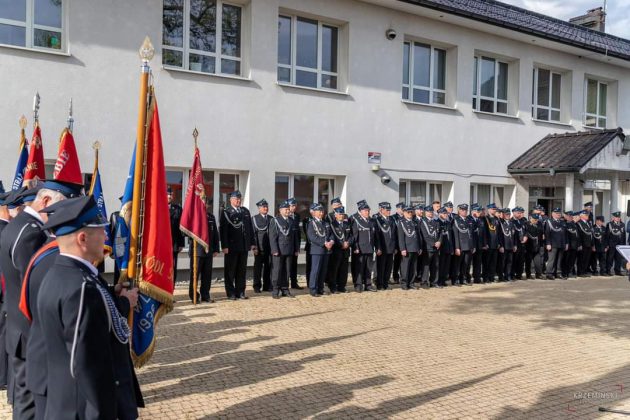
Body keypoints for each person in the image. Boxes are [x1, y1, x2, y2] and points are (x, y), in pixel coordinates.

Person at [37, 195, 143, 419]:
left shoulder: (62, 273)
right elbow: (87, 366)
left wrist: (112, 294)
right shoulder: (82, 289)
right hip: (84, 409)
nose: (106, 236)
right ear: (83, 238)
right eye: (101, 231)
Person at [0, 181, 80, 419]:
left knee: (25, 397)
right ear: (45, 202)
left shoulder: (21, 224)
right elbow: (35, 287)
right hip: (29, 331)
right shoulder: (30, 233)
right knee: (30, 404)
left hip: (20, 327)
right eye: (58, 210)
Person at [220, 190, 256, 300]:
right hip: (232, 246)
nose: (238, 201)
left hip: (244, 246)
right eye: (236, 199)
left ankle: (240, 292)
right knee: (230, 271)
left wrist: (252, 243)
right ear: (231, 200)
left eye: (240, 199)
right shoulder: (226, 212)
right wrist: (224, 246)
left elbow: (250, 228)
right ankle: (230, 293)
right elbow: (223, 230)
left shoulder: (245, 211)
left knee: (241, 270)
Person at [188, 200, 220, 302]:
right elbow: (187, 232)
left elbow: (215, 234)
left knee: (207, 275)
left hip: (208, 251)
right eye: (204, 203)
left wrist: (216, 248)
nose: (206, 205)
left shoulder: (211, 217)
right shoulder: (194, 216)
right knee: (195, 275)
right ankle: (194, 296)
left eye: (207, 204)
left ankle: (205, 295)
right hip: (197, 251)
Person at [269, 201, 299, 299]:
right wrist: (274, 249)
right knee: (277, 271)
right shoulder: (275, 220)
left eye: (288, 209)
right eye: (286, 209)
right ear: (280, 210)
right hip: (279, 250)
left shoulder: (291, 220)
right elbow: (272, 237)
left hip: (289, 249)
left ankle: (285, 289)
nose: (288, 211)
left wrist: (296, 248)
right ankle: (275, 290)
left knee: (287, 270)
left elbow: (295, 236)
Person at [306, 203, 333, 297]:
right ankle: (313, 289)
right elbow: (312, 237)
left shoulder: (326, 223)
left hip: (326, 250)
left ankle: (320, 288)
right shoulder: (311, 223)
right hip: (317, 250)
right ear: (314, 212)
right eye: (319, 211)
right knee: (315, 270)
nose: (321, 213)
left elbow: (331, 234)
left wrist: (331, 242)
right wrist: (324, 243)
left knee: (323, 270)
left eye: (322, 211)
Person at [350, 201, 377, 292]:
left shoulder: (371, 221)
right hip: (360, 249)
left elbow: (374, 236)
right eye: (365, 211)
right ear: (360, 211)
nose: (367, 212)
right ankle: (358, 285)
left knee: (368, 268)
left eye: (368, 211)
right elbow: (354, 236)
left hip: (369, 248)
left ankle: (368, 285)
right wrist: (355, 247)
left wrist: (376, 247)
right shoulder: (357, 221)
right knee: (359, 268)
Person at [326, 206, 351, 293]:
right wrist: (341, 244)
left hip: (346, 250)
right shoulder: (332, 225)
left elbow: (351, 236)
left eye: (343, 214)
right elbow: (331, 237)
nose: (341, 216)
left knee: (344, 270)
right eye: (340, 214)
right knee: (334, 269)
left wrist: (348, 243)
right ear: (335, 215)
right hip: (336, 250)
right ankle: (333, 287)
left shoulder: (347, 224)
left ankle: (342, 286)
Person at [397, 206, 422, 290]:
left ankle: (411, 283)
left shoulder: (415, 222)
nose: (410, 214)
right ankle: (404, 283)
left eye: (411, 212)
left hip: (415, 247)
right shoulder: (402, 222)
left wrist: (419, 247)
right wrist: (402, 249)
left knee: (413, 267)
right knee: (405, 267)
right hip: (407, 248)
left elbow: (418, 236)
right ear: (404, 213)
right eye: (408, 212)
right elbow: (401, 237)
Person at [374, 202, 397, 290]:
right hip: (382, 248)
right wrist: (378, 247)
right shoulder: (377, 220)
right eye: (387, 210)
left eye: (389, 210)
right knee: (381, 267)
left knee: (388, 268)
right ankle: (380, 284)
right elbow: (377, 236)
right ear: (382, 210)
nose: (389, 211)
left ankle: (385, 283)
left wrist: (395, 247)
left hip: (390, 247)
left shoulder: (391, 219)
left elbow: (394, 235)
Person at [252, 199, 272, 293]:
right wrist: (254, 247)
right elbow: (253, 234)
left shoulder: (271, 218)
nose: (266, 208)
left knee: (268, 267)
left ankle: (267, 286)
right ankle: (256, 286)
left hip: (269, 247)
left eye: (266, 206)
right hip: (259, 248)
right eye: (264, 207)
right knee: (258, 268)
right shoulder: (254, 218)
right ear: (259, 208)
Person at [452, 204, 475, 286]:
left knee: (466, 264)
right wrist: (457, 247)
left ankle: (463, 279)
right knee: (457, 264)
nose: (465, 212)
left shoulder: (469, 220)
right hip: (461, 246)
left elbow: (471, 235)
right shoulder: (456, 220)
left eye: (466, 210)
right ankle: (455, 279)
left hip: (468, 246)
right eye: (463, 210)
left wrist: (472, 246)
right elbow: (456, 235)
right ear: (459, 211)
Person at [418, 206, 441, 288]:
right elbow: (425, 236)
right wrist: (434, 244)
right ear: (425, 212)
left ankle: (434, 282)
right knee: (426, 266)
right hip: (427, 247)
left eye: (431, 212)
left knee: (435, 265)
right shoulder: (422, 222)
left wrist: (439, 241)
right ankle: (424, 282)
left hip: (436, 247)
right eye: (429, 212)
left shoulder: (436, 222)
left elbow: (440, 233)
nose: (430, 213)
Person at [545, 208, 567, 280]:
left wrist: (566, 243)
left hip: (561, 243)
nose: (558, 214)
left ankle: (558, 273)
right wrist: (548, 243)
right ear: (552, 214)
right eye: (557, 213)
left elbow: (565, 234)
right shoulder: (549, 221)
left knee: (559, 260)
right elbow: (547, 233)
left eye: (559, 213)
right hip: (553, 244)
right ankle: (549, 273)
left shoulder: (562, 222)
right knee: (552, 260)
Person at [168, 187, 185, 283]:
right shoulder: (159, 207)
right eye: (167, 194)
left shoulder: (178, 209)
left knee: (173, 267)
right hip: (161, 245)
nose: (169, 196)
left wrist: (181, 243)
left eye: (171, 194)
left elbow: (180, 228)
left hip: (174, 243)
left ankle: (172, 288)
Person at [481, 203, 501, 283]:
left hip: (495, 244)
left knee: (493, 262)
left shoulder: (496, 219)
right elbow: (484, 233)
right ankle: (485, 277)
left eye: (495, 209)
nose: (494, 210)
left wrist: (499, 243)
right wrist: (485, 243)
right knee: (486, 262)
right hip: (488, 244)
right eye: (493, 209)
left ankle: (491, 277)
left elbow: (499, 232)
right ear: (489, 209)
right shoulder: (485, 219)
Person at [287, 198, 304, 289]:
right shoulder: (285, 215)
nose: (294, 207)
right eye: (292, 206)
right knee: (287, 265)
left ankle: (294, 283)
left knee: (294, 264)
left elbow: (298, 232)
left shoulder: (297, 216)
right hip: (287, 245)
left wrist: (298, 247)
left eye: (295, 206)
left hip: (295, 244)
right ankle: (285, 284)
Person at [498, 209, 516, 282]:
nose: (508, 215)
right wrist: (501, 246)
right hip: (504, 246)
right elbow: (500, 236)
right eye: (506, 214)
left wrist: (515, 245)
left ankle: (507, 276)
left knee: (509, 262)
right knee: (502, 262)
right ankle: (501, 276)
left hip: (510, 246)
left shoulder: (511, 223)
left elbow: (514, 235)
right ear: (503, 215)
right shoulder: (501, 223)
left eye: (509, 214)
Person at [524, 213, 544, 279]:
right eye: (535, 219)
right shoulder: (526, 224)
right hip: (529, 245)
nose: (536, 221)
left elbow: (541, 233)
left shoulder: (539, 224)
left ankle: (538, 274)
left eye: (537, 219)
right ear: (530, 218)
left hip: (537, 245)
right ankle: (528, 274)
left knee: (538, 262)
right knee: (528, 262)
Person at [606, 211, 626, 276]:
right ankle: (608, 270)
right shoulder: (610, 224)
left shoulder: (622, 224)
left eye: (619, 217)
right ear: (614, 217)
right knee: (610, 258)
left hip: (620, 244)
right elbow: (607, 235)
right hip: (612, 244)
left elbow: (624, 235)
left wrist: (623, 244)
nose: (618, 218)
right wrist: (607, 244)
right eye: (616, 217)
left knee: (618, 258)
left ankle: (617, 271)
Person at [437, 207, 453, 287]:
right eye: (444, 213)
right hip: (441, 247)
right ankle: (439, 281)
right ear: (439, 214)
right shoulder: (437, 222)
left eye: (446, 213)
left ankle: (443, 280)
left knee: (446, 265)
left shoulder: (448, 222)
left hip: (448, 246)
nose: (446, 215)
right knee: (441, 265)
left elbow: (451, 236)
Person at [468, 204, 484, 284]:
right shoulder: (468, 219)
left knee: (478, 262)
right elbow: (470, 235)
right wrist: (472, 246)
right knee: (468, 263)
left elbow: (483, 233)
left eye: (480, 211)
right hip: (471, 245)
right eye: (478, 211)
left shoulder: (480, 220)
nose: (479, 213)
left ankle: (477, 278)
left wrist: (484, 244)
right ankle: (467, 278)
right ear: (473, 211)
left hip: (479, 245)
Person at [576, 210, 593, 277]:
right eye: (586, 215)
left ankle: (584, 271)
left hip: (589, 244)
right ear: (581, 216)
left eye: (587, 215)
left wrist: (592, 244)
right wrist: (579, 244)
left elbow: (591, 234)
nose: (587, 216)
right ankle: (580, 272)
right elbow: (578, 235)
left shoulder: (588, 223)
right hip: (583, 244)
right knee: (581, 259)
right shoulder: (579, 223)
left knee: (587, 259)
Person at [562, 211, 579, 278]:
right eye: (569, 216)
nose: (571, 217)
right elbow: (566, 235)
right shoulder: (565, 224)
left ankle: (570, 272)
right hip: (569, 245)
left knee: (572, 260)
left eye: (572, 216)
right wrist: (566, 244)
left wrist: (578, 244)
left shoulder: (574, 224)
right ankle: (565, 273)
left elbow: (577, 236)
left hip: (574, 245)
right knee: (566, 260)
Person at [511, 207, 527, 280]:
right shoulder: (511, 221)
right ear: (514, 213)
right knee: (514, 260)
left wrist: (526, 236)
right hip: (515, 243)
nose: (520, 214)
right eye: (518, 213)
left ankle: (519, 274)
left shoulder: (522, 221)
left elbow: (525, 230)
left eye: (520, 213)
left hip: (522, 243)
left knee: (521, 260)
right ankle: (512, 274)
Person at [391, 202, 405, 283]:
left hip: (404, 242)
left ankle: (403, 276)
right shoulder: (393, 218)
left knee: (404, 261)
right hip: (396, 242)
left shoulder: (405, 217)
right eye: (401, 209)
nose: (403, 210)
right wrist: (395, 246)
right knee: (397, 261)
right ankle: (395, 277)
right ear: (397, 209)